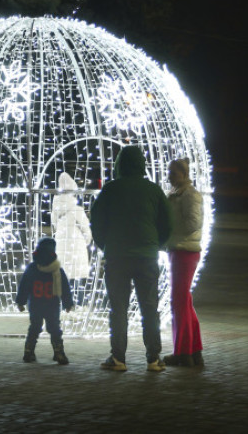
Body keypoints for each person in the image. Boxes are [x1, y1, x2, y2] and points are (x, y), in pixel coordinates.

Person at [90, 144, 172, 372]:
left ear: (120, 165)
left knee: (118, 308)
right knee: (149, 307)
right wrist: (156, 244)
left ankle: (118, 358)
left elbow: (96, 221)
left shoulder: (111, 189)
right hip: (147, 256)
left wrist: (105, 244)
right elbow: (168, 223)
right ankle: (153, 358)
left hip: (117, 257)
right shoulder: (153, 190)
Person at [164, 157, 205, 367]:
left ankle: (182, 352)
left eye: (173, 172)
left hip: (184, 251)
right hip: (179, 249)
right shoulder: (178, 194)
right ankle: (193, 350)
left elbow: (193, 223)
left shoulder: (189, 195)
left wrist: (170, 230)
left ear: (184, 173)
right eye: (169, 172)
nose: (169, 176)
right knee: (184, 301)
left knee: (178, 302)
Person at [15, 236, 74, 364]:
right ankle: (59, 352)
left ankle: (28, 352)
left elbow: (24, 286)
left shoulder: (32, 268)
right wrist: (68, 303)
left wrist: (21, 301)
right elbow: (64, 288)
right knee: (54, 328)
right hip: (52, 304)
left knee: (35, 327)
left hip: (35, 304)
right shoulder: (57, 269)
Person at [52, 172, 94, 302]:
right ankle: (79, 302)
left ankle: (64, 302)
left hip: (61, 246)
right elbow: (86, 230)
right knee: (77, 278)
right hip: (77, 247)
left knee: (63, 276)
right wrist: (87, 241)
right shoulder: (77, 210)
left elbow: (54, 226)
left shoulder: (55, 209)